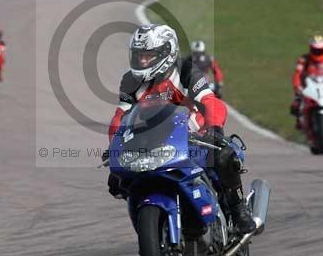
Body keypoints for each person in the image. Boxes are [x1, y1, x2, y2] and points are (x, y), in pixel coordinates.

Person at [106, 24, 256, 236]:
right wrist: (114, 147)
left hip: (195, 134)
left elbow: (210, 101)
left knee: (223, 157)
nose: (142, 61)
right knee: (120, 180)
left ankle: (239, 211)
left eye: (148, 56)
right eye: (139, 56)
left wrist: (214, 129)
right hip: (151, 140)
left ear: (166, 53)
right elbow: (120, 117)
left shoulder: (186, 70)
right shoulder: (130, 81)